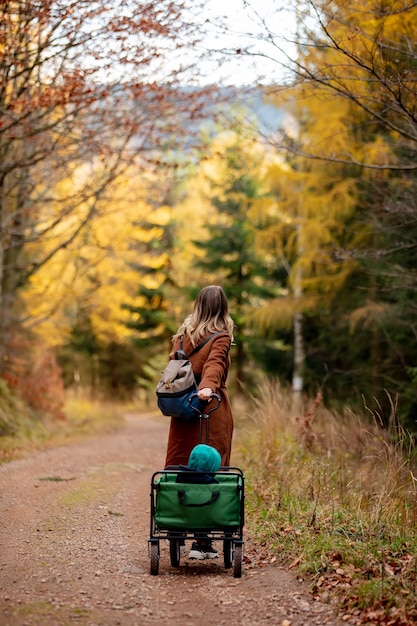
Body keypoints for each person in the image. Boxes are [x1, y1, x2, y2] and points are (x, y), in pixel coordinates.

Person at [164, 285, 235, 560]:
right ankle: (202, 543)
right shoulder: (222, 336)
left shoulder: (182, 335)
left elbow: (175, 368)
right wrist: (208, 388)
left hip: (183, 410)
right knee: (210, 466)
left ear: (198, 305)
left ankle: (176, 526)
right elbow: (214, 365)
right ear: (222, 308)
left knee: (179, 462)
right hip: (210, 411)